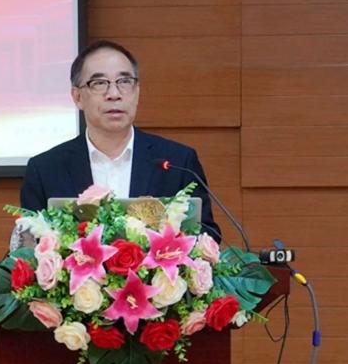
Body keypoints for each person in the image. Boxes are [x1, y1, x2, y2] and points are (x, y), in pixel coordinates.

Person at [20, 39, 221, 240]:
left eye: (124, 82)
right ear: (77, 97)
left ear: (137, 91)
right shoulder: (46, 170)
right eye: (99, 83)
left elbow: (207, 237)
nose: (114, 94)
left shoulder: (178, 163)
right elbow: (28, 247)